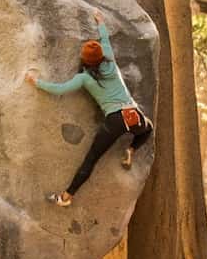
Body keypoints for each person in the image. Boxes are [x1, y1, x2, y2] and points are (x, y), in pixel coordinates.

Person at [23, 13, 151, 207]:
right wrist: (100, 21)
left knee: (91, 159)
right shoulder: (110, 61)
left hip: (114, 122)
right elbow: (105, 39)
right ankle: (131, 148)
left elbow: (59, 89)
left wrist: (36, 82)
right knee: (147, 128)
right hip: (132, 114)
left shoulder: (84, 78)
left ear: (85, 59)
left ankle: (67, 196)